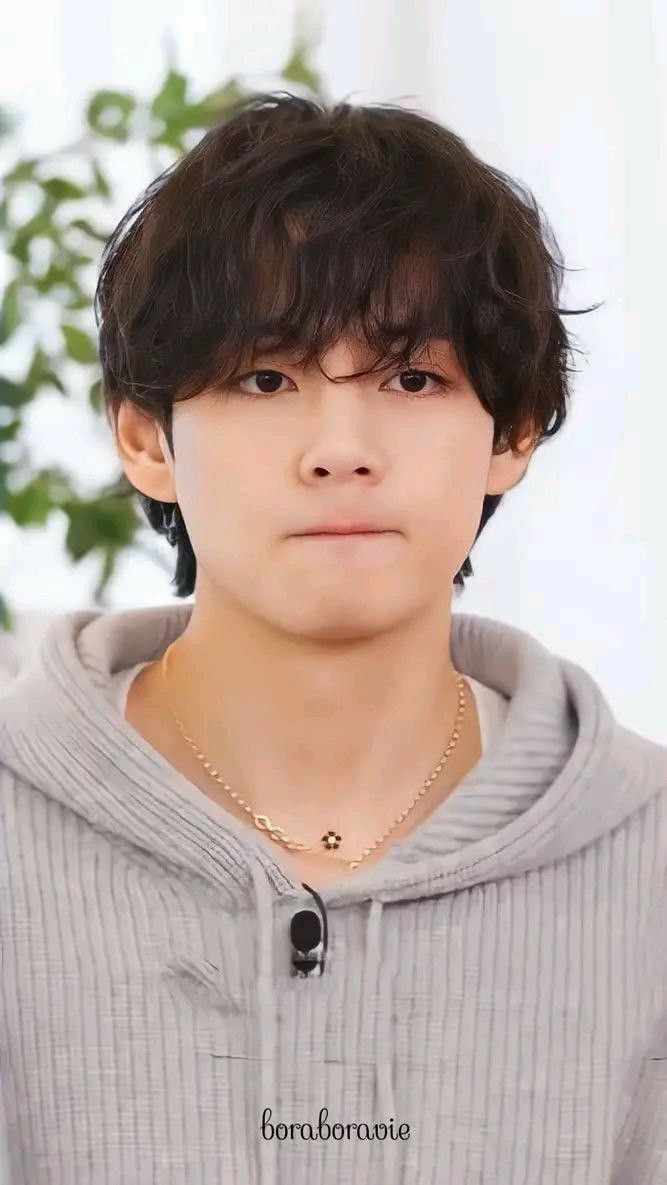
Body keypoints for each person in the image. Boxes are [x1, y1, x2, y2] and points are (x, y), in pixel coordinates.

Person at [0, 91, 665, 1185]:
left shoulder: (647, 856)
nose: (340, 447)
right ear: (145, 439)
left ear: (511, 432)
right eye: (267, 379)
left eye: (412, 378)